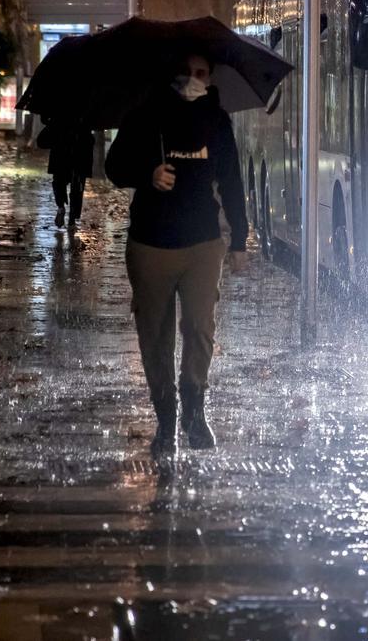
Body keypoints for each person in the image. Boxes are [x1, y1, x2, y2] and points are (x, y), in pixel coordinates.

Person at [105, 53, 250, 459]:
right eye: (185, 71)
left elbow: (233, 180)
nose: (192, 79)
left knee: (201, 328)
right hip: (150, 245)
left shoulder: (217, 122)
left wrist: (239, 237)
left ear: (210, 77)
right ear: (173, 74)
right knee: (155, 336)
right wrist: (148, 173)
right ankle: (165, 418)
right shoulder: (145, 114)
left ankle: (194, 405)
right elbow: (113, 167)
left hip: (202, 244)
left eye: (200, 73)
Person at [37, 118, 95, 228]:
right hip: (81, 150)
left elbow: (44, 121)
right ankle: (72, 220)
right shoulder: (87, 108)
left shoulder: (60, 111)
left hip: (61, 150)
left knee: (59, 181)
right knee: (78, 185)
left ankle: (60, 207)